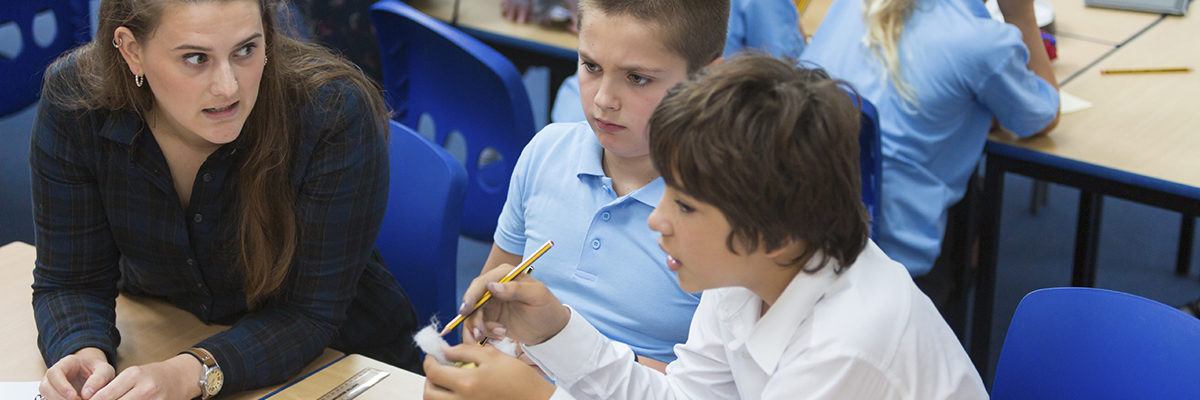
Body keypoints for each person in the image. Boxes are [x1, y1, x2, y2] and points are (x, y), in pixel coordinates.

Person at [424, 55, 987, 399]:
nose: (656, 219)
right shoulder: (751, 274)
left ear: (775, 233)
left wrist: (542, 399)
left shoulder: (846, 348)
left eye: (686, 206)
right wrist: (554, 331)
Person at [31, 0, 420, 399]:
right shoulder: (77, 100)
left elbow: (307, 316)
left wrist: (189, 374)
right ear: (132, 51)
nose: (228, 87)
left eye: (246, 50)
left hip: (345, 365)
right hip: (171, 335)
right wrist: (82, 350)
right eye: (196, 58)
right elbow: (70, 280)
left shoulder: (331, 113)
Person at [463, 0, 729, 373]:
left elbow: (715, 388)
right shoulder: (547, 151)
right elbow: (490, 300)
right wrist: (484, 322)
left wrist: (558, 361)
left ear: (706, 80)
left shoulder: (729, 212)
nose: (604, 99)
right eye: (590, 66)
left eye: (637, 78)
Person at [799, 0, 1060, 313]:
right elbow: (1041, 118)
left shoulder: (851, 6)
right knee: (978, 198)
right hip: (895, 257)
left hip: (806, 227)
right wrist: (1022, 17)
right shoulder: (980, 42)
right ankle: (947, 319)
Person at [548, 0, 805, 123]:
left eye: (637, 78)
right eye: (591, 65)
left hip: (580, 116)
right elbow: (787, 81)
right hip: (664, 129)